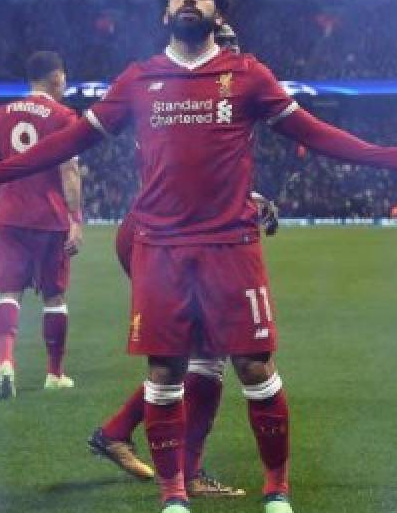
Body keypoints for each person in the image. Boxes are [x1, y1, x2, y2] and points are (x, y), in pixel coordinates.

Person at [0, 0, 397, 513]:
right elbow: (64, 143)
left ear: (218, 12)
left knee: (254, 367)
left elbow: (316, 134)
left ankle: (276, 493)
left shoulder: (248, 76)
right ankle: (174, 496)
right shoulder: (139, 79)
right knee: (168, 369)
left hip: (230, 246)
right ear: (166, 10)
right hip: (158, 244)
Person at [89, 191, 280, 496]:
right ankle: (189, 474)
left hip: (157, 228)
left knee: (198, 353)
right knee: (206, 355)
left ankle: (116, 433)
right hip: (170, 234)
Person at [0, 51, 83, 398]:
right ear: (56, 78)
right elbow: (68, 171)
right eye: (65, 78)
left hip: (10, 217)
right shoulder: (64, 117)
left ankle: (5, 363)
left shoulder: (2, 114)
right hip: (49, 218)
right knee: (54, 296)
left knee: (9, 292)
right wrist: (76, 219)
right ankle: (54, 374)